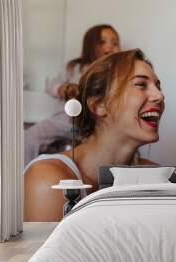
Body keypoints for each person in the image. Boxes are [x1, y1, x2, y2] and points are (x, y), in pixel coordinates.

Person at [24, 49, 164, 222]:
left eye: (158, 86)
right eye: (141, 85)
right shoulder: (48, 179)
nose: (159, 96)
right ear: (99, 105)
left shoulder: (155, 176)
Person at [24, 24, 121, 165]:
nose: (110, 46)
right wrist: (62, 88)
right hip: (63, 120)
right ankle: (26, 174)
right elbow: (51, 85)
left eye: (115, 43)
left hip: (94, 125)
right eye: (102, 42)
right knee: (29, 136)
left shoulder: (116, 72)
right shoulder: (74, 67)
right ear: (90, 46)